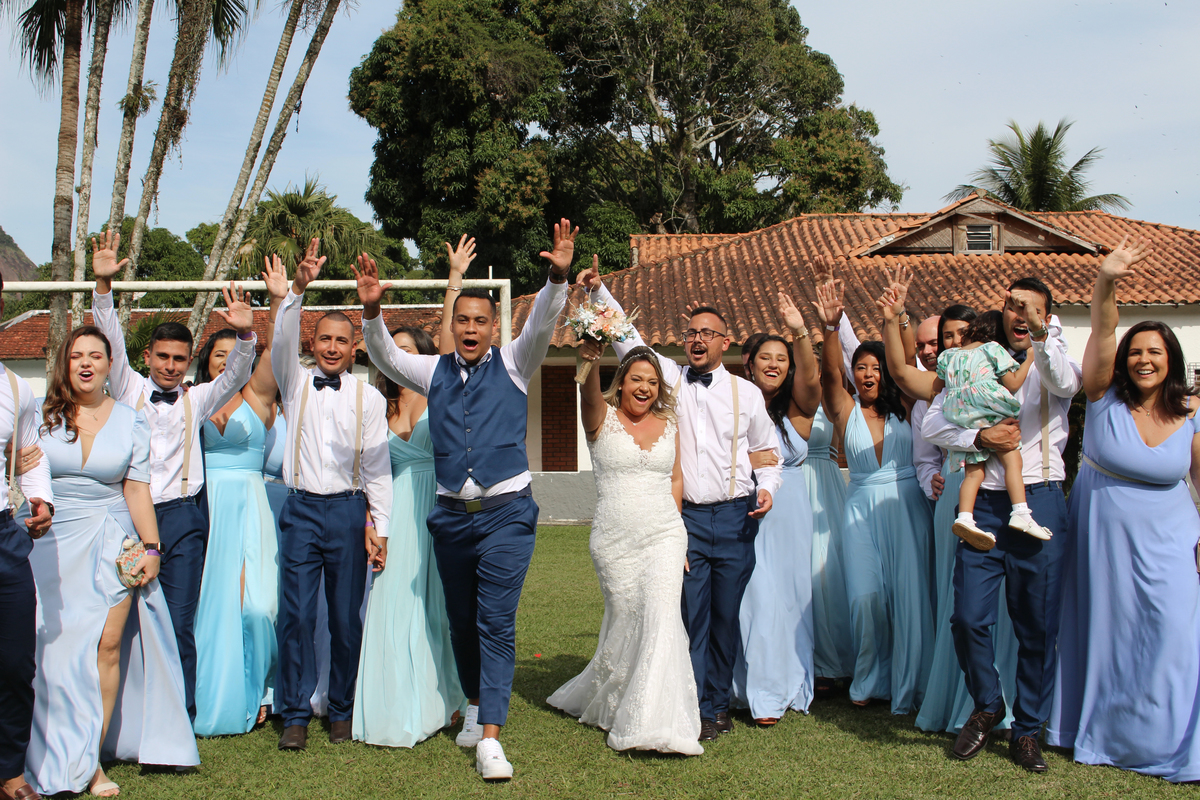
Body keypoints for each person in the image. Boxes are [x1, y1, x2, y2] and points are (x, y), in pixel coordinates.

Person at [357, 220, 577, 780]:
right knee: (461, 620)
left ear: (494, 326)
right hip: (451, 518)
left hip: (507, 513)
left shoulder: (516, 361)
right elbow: (383, 355)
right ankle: (475, 705)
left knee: (494, 621)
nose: (472, 328)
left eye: (482, 321)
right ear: (452, 325)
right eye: (464, 320)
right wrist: (372, 310)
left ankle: (492, 740)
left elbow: (544, 319)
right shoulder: (432, 371)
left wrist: (557, 277)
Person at [579, 267, 782, 743]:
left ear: (724, 342)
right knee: (688, 615)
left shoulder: (747, 393)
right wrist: (597, 290)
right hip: (684, 516)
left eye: (707, 334)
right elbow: (627, 340)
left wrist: (769, 487)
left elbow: (765, 452)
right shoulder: (667, 378)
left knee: (726, 615)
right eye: (691, 333)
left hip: (734, 516)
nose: (697, 340)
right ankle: (691, 706)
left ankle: (717, 705)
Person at [26, 325, 211, 795]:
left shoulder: (131, 420)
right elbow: (22, 474)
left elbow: (137, 489)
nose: (86, 363)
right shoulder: (39, 417)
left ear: (111, 365)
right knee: (52, 651)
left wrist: (152, 549)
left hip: (113, 540)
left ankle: (91, 762)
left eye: (96, 355)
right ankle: (44, 750)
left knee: (107, 648)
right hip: (50, 543)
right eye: (77, 356)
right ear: (65, 364)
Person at [1047, 237, 1200, 782]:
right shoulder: (1102, 396)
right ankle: (1110, 735)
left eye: (1155, 352)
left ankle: (1172, 739)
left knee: (1174, 632)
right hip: (1105, 539)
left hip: (1172, 539)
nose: (1144, 360)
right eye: (1136, 352)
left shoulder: (1192, 411)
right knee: (1110, 636)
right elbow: (1105, 329)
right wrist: (1106, 281)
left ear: (1171, 359)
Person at [90, 230, 258, 721]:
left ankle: (178, 718)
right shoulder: (126, 387)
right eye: (162, 357)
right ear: (147, 357)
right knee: (124, 621)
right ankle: (125, 717)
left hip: (184, 519)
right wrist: (104, 288)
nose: (169, 365)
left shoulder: (197, 398)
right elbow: (109, 338)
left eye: (178, 359)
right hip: (127, 517)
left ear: (189, 363)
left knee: (179, 621)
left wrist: (245, 335)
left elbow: (236, 374)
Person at [922, 277, 1082, 773]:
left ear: (1045, 316)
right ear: (1003, 310)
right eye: (1014, 305)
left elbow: (1064, 383)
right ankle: (989, 703)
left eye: (1032, 308)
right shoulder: (974, 359)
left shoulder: (1053, 357)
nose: (1021, 314)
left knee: (1037, 625)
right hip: (984, 506)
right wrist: (978, 436)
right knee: (968, 618)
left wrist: (1041, 338)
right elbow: (932, 423)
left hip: (1041, 500)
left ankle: (1028, 730)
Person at [548, 343, 702, 755]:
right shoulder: (600, 416)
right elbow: (587, 393)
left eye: (652, 382)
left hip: (665, 535)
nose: (644, 388)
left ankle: (654, 723)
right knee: (626, 620)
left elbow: (675, 479)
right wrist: (590, 356)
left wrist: (680, 533)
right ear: (621, 383)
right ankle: (615, 697)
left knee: (662, 618)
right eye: (636, 379)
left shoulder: (669, 423)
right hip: (615, 541)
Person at [271, 238, 393, 752]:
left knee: (345, 618)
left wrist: (380, 527)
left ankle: (341, 707)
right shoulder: (294, 382)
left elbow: (377, 469)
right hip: (300, 508)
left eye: (342, 340)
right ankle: (295, 713)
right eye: (324, 338)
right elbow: (279, 343)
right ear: (313, 342)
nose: (332, 347)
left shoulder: (368, 397)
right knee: (297, 615)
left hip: (347, 510)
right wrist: (296, 291)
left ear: (353, 347)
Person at [814, 278, 934, 714]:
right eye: (861, 367)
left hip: (908, 505)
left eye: (875, 367)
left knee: (909, 598)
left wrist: (896, 316)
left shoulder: (908, 405)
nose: (867, 374)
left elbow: (907, 363)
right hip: (861, 508)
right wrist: (830, 328)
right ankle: (868, 678)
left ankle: (910, 683)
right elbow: (830, 375)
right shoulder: (844, 410)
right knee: (865, 598)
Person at [353, 325, 466, 747]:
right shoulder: (376, 407)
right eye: (391, 350)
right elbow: (369, 475)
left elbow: (451, 346)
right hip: (394, 514)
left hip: (438, 506)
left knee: (438, 605)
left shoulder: (441, 392)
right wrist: (372, 524)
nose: (397, 356)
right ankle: (395, 700)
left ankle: (448, 693)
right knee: (393, 601)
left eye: (406, 350)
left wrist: (452, 289)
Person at [190, 255, 289, 736]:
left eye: (236, 354)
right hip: (202, 505)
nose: (228, 361)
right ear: (208, 363)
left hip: (249, 505)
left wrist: (275, 304)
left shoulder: (258, 398)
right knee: (208, 607)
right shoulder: (191, 401)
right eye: (219, 355)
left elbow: (275, 352)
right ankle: (208, 691)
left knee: (259, 606)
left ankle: (265, 686)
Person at [881, 300, 1046, 549]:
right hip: (958, 478)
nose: (957, 341)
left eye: (962, 332)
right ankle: (1013, 512)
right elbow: (902, 373)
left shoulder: (998, 363)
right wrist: (980, 438)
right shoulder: (947, 384)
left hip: (1004, 486)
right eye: (947, 336)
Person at [732, 292, 821, 725]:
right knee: (753, 598)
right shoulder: (733, 406)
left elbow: (814, 381)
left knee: (789, 599)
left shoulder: (799, 410)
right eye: (765, 357)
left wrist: (799, 331)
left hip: (791, 515)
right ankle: (752, 690)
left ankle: (785, 685)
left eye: (782, 359)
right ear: (749, 364)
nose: (773, 364)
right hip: (743, 512)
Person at [0, 271, 54, 800]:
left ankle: (10, 772)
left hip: (4, 536)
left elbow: (29, 454)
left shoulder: (16, 388)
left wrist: (41, 499)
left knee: (16, 662)